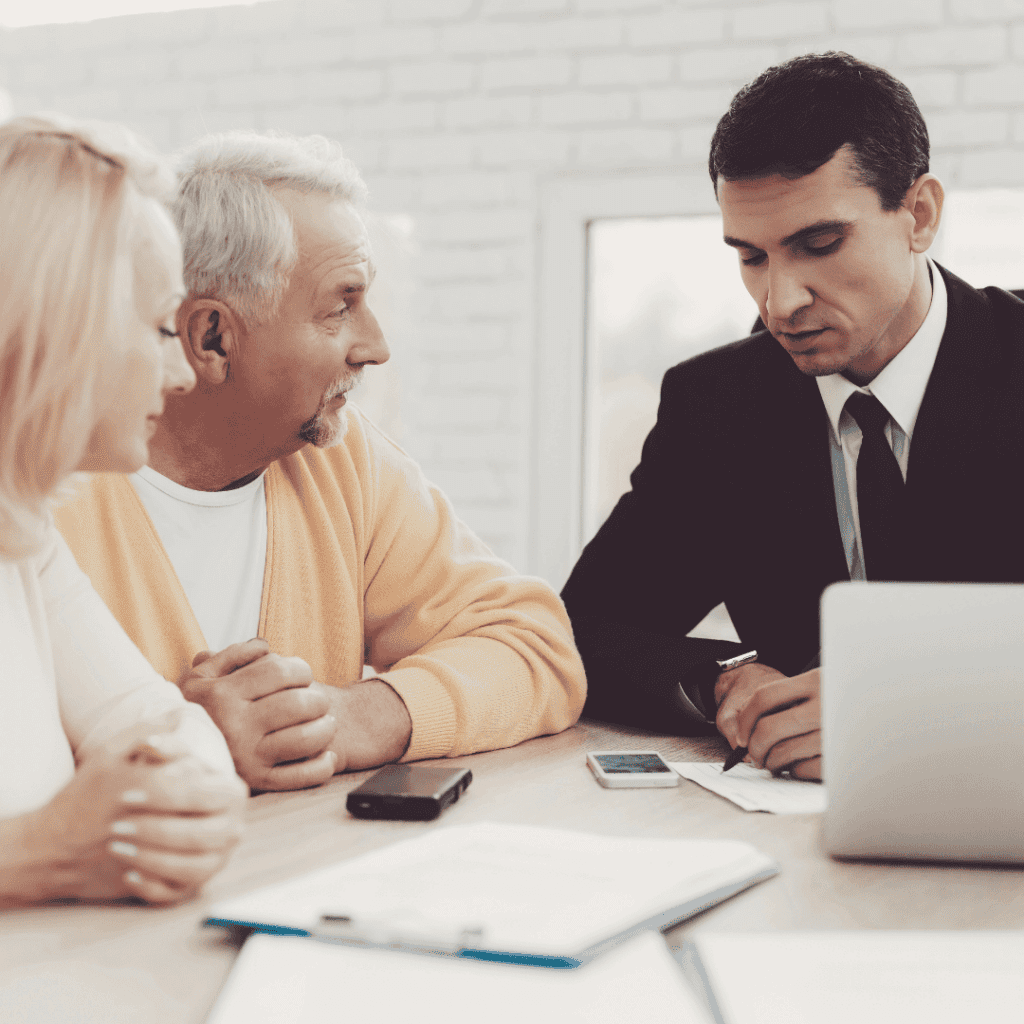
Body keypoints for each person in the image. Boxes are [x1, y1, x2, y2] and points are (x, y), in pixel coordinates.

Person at [57, 131, 586, 793]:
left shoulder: (340, 460)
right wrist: (188, 744)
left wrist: (346, 718)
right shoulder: (43, 490)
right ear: (212, 338)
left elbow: (536, 648)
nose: (376, 346)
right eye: (341, 306)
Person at [562, 52, 1024, 781]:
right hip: (794, 839)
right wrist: (728, 681)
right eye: (751, 257)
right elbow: (584, 631)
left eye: (819, 244)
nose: (780, 302)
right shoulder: (718, 406)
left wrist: (894, 714)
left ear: (920, 215)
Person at [0, 116, 247, 907]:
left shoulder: (24, 539)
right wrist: (32, 855)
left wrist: (183, 803)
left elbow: (165, 728)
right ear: (60, 326)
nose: (182, 373)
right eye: (157, 327)